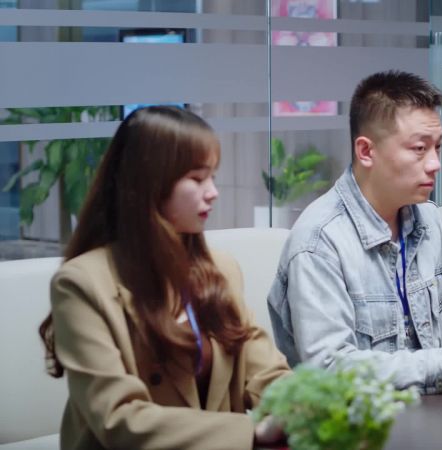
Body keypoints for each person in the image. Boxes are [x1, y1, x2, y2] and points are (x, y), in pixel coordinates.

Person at [268, 70, 442, 394]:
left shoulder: (429, 219)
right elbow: (330, 369)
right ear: (366, 151)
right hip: (361, 420)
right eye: (419, 148)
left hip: (439, 408)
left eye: (437, 147)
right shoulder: (319, 241)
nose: (435, 163)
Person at [40, 106, 289, 449]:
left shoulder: (222, 270)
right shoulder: (80, 284)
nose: (213, 192)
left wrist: (303, 407)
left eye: (212, 177)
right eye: (197, 178)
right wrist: (250, 432)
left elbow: (266, 373)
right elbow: (119, 419)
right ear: (150, 184)